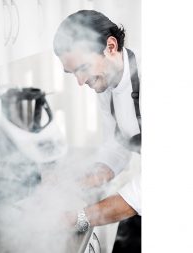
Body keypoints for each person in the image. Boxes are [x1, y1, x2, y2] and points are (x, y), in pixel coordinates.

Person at [53, 9, 141, 248]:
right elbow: (117, 145)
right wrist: (86, 179)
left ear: (110, 46)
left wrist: (78, 218)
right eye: (73, 73)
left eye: (83, 67)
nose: (81, 82)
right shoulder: (108, 84)